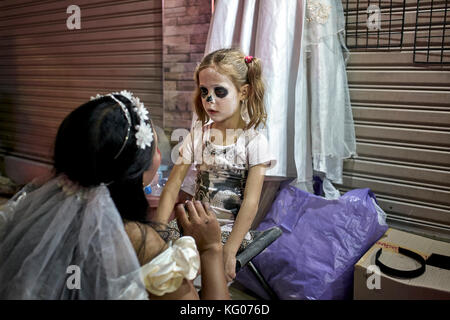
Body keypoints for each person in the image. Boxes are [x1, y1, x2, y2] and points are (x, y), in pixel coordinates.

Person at [0, 90, 229, 300]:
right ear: (136, 170)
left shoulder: (34, 213)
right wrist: (211, 249)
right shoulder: (139, 242)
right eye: (156, 150)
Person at [154, 48, 276, 282]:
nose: (210, 99)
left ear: (243, 92)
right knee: (156, 262)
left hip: (227, 231)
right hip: (193, 222)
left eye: (219, 91)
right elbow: (171, 187)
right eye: (204, 91)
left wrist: (230, 250)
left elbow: (251, 203)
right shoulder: (197, 134)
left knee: (200, 275)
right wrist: (159, 230)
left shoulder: (254, 142)